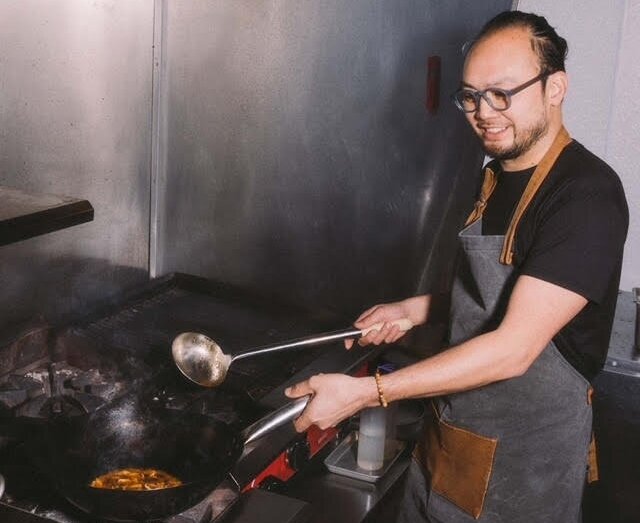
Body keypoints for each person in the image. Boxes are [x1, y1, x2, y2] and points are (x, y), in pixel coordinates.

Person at [284, 10, 629, 523]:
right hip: (448, 441)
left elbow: (514, 348)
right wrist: (415, 310)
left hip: (523, 470)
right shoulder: (495, 178)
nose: (483, 113)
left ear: (555, 87)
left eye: (502, 93)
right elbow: (501, 296)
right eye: (471, 96)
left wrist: (366, 393)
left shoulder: (585, 196)